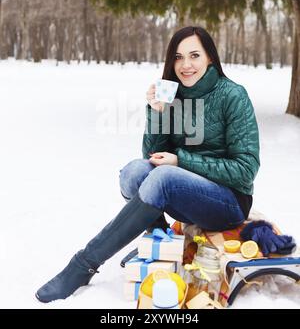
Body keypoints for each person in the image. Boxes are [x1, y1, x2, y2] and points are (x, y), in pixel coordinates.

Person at [35, 26, 260, 303]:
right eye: (178, 57)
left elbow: (245, 169)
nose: (185, 65)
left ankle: (83, 265)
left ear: (210, 59)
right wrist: (156, 114)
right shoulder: (173, 93)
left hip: (228, 203)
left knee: (163, 177)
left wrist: (181, 161)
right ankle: (157, 241)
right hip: (187, 195)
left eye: (194, 55)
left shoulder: (233, 96)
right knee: (133, 173)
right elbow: (153, 157)